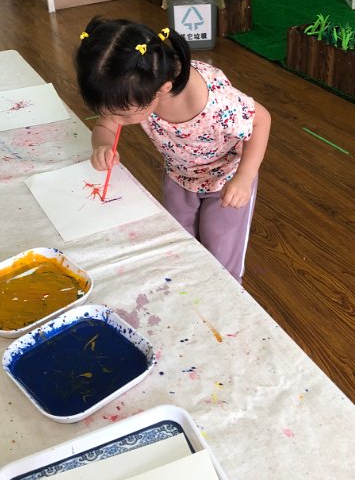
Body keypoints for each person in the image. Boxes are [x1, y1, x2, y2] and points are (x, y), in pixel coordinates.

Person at [75, 17, 271, 283]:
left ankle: (223, 293)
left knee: (220, 252)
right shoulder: (133, 88)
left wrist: (244, 178)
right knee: (178, 242)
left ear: (162, 90)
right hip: (179, 176)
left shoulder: (215, 102)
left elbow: (261, 121)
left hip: (226, 182)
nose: (114, 120)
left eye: (122, 114)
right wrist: (103, 144)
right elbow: (105, 125)